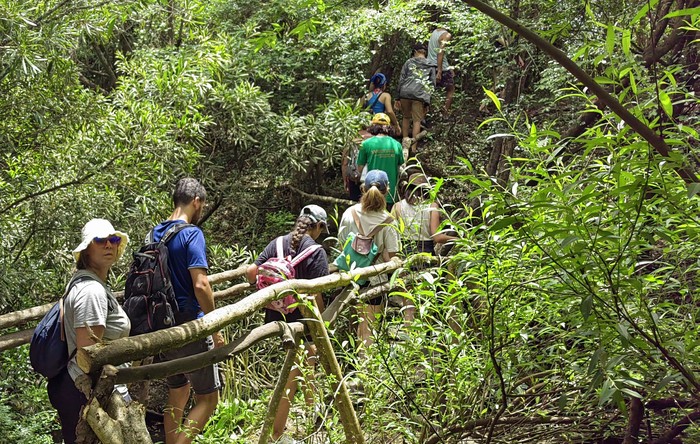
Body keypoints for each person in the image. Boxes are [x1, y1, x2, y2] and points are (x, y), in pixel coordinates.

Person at [246, 205, 330, 442]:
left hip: (276, 316)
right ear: (319, 226)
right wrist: (321, 322)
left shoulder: (278, 243)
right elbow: (317, 294)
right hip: (301, 319)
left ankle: (313, 413)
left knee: (306, 359)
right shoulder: (315, 252)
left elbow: (252, 271)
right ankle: (277, 432)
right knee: (295, 369)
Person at [153, 178, 224, 444]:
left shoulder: (155, 233)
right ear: (196, 201)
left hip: (162, 328)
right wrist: (215, 325)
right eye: (202, 205)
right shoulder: (191, 233)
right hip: (190, 328)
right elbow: (201, 284)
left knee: (178, 393)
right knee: (208, 399)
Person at [48, 218, 131, 444]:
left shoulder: (92, 284)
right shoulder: (91, 291)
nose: (109, 245)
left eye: (113, 239)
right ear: (86, 250)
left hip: (90, 390)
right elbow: (90, 354)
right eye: (100, 240)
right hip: (89, 392)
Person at [337, 170, 400, 351]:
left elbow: (342, 246)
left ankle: (352, 363)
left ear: (363, 189)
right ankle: (365, 371)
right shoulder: (388, 221)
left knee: (356, 324)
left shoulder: (349, 214)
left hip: (350, 277)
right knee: (368, 329)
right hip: (375, 280)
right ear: (387, 190)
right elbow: (392, 257)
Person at [391, 172, 457, 323]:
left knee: (408, 301)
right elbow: (436, 237)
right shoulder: (432, 206)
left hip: (405, 251)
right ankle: (424, 337)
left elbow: (391, 232)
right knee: (425, 298)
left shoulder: (397, 206)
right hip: (426, 252)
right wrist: (457, 237)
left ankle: (408, 334)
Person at [357, 113, 405, 211]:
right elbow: (401, 166)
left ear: (373, 126)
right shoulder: (397, 145)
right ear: (388, 127)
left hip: (371, 194)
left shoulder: (366, 144)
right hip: (389, 193)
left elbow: (360, 168)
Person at [395, 43, 435, 158]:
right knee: (417, 120)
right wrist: (427, 101)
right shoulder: (430, 64)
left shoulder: (409, 62)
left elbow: (401, 78)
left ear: (415, 51)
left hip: (405, 93)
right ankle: (413, 147)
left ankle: (404, 143)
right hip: (419, 95)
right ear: (425, 52)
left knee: (406, 117)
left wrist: (397, 97)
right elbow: (431, 84)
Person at [427, 27, 455, 115]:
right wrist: (439, 70)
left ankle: (426, 114)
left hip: (430, 65)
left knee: (429, 90)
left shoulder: (435, 32)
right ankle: (444, 113)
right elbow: (440, 52)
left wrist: (449, 67)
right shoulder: (446, 35)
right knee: (451, 89)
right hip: (440, 67)